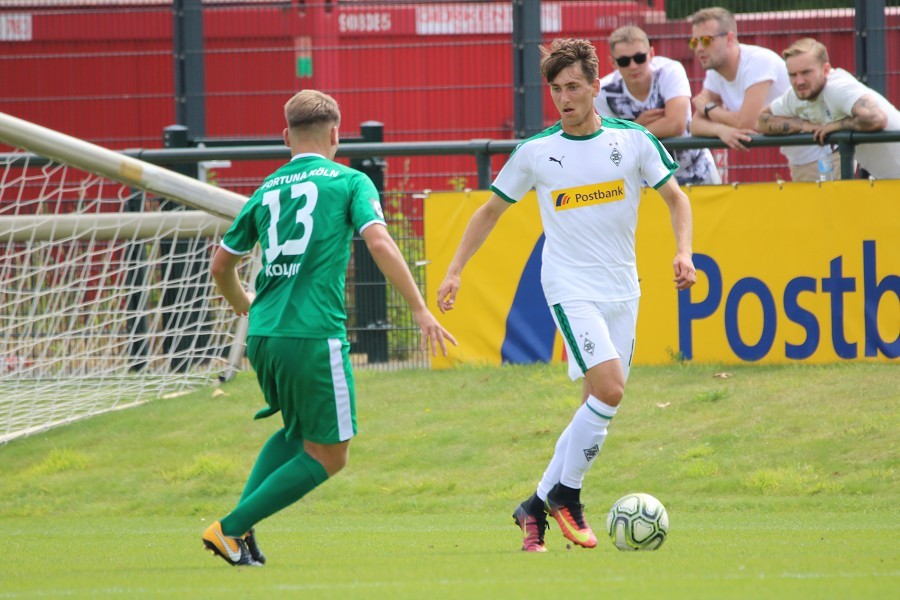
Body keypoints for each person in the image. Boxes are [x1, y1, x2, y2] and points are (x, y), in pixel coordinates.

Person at [436, 38, 695, 553]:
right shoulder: (536, 152)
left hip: (624, 288)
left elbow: (675, 197)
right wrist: (455, 270)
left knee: (595, 405)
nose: (565, 98)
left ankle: (533, 507)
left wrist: (683, 252)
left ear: (597, 86)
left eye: (574, 86)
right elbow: (489, 211)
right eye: (556, 90)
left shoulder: (635, 140)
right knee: (611, 388)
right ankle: (567, 496)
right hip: (569, 285)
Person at [203, 89, 456, 566]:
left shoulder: (266, 189)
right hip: (313, 333)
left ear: (285, 137)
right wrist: (421, 309)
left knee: (299, 435)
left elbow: (221, 267)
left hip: (263, 336)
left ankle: (241, 529)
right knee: (332, 454)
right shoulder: (350, 181)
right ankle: (229, 529)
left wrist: (244, 306)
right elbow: (378, 241)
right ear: (336, 135)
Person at [687, 6, 823, 180]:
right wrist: (721, 130)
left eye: (706, 40)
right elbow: (695, 125)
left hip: (823, 151)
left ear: (729, 38)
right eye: (693, 42)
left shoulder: (757, 62)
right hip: (800, 158)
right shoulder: (715, 72)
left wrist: (709, 109)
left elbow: (747, 123)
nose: (698, 48)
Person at [757, 37, 900, 180]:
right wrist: (804, 125)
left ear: (826, 70)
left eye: (806, 72)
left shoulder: (836, 87)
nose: (799, 81)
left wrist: (834, 126)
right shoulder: (796, 95)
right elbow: (762, 120)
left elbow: (877, 118)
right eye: (793, 75)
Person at [595, 25, 721, 186]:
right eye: (624, 61)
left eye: (639, 58)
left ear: (651, 54)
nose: (633, 66)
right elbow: (614, 142)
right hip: (649, 182)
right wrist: (638, 125)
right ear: (613, 63)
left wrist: (632, 129)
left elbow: (676, 124)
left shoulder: (670, 71)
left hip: (697, 171)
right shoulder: (603, 93)